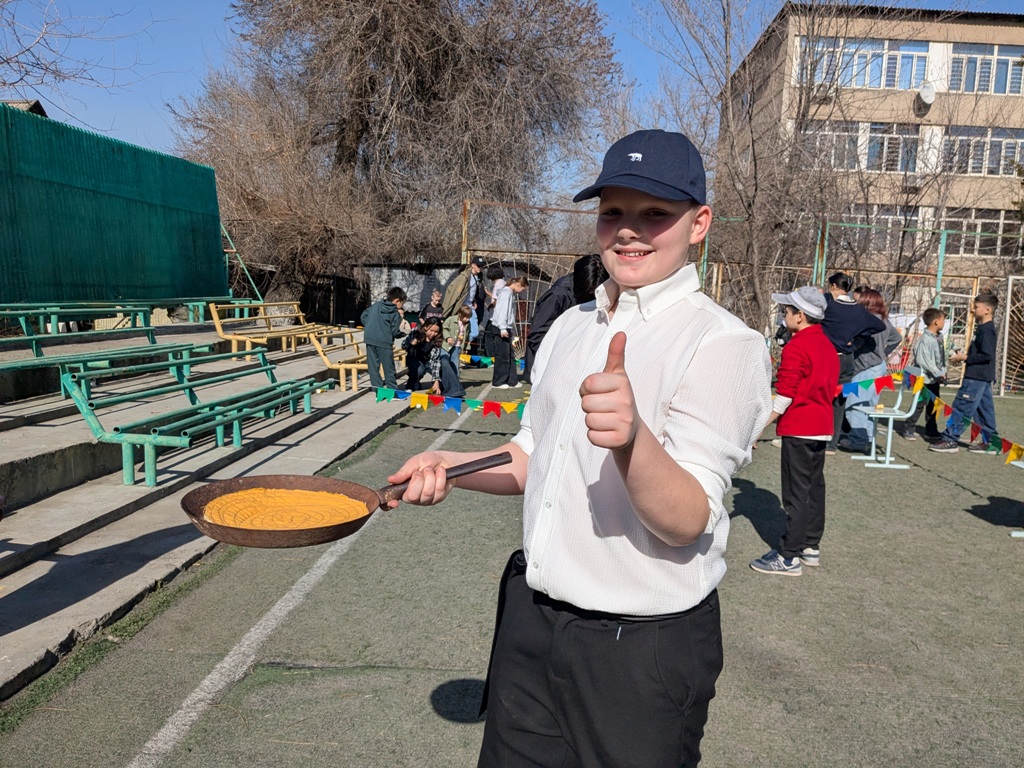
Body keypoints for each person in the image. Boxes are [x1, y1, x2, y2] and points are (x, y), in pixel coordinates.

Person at [385, 129, 773, 767]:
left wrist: (632, 440)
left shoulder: (724, 343)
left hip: (639, 648)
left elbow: (687, 520)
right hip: (532, 622)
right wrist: (450, 466)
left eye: (655, 213)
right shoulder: (571, 325)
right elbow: (533, 454)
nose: (629, 230)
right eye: (613, 211)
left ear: (698, 224)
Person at [750, 286, 839, 576]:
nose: (783, 315)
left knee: (796, 493)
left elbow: (784, 395)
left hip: (800, 427)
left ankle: (789, 556)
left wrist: (757, 429)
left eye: (786, 311)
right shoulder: (826, 344)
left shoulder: (797, 346)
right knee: (813, 488)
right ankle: (810, 545)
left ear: (800, 316)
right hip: (821, 427)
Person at [820, 273, 886, 453]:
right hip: (847, 360)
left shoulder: (829, 306)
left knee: (820, 397)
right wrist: (856, 337)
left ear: (834, 286)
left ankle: (813, 436)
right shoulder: (858, 310)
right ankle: (831, 444)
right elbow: (879, 326)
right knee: (839, 402)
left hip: (829, 357)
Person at [929, 292, 1001, 454]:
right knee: (983, 410)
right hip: (981, 377)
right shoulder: (982, 328)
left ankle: (950, 439)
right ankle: (991, 441)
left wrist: (965, 357)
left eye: (976, 307)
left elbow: (987, 355)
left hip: (976, 377)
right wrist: (963, 356)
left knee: (962, 407)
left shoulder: (987, 330)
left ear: (987, 310)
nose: (973, 310)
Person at [522, 254, 608, 383]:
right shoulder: (558, 295)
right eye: (590, 290)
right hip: (550, 364)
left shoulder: (600, 292)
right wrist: (555, 362)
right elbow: (537, 335)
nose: (592, 294)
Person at [839, 288, 901, 453]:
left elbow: (860, 343)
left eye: (860, 300)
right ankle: (867, 438)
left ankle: (858, 440)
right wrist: (884, 353)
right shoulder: (884, 320)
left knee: (855, 404)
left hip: (866, 368)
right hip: (878, 366)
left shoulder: (869, 321)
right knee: (869, 405)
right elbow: (897, 338)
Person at [897, 307, 947, 441]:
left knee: (933, 405)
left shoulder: (939, 338)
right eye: (943, 320)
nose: (944, 322)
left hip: (934, 379)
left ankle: (931, 430)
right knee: (918, 404)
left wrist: (943, 371)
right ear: (936, 322)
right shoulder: (924, 339)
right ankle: (908, 428)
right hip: (923, 379)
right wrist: (937, 372)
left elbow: (940, 358)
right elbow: (923, 361)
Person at [401, 318, 466, 397]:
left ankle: (452, 390)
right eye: (431, 330)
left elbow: (435, 360)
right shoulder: (416, 332)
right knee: (418, 372)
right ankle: (414, 382)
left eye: (436, 331)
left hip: (430, 361)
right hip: (417, 360)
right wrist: (411, 343)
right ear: (425, 327)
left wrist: (436, 380)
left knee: (444, 362)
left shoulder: (438, 339)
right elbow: (403, 345)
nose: (433, 334)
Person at [484, 274, 529, 389]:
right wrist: (503, 328)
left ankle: (511, 380)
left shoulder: (509, 293)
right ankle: (498, 381)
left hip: (505, 326)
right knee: (502, 355)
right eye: (522, 288)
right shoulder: (506, 294)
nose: (522, 291)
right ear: (518, 285)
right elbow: (503, 311)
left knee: (510, 355)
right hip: (501, 327)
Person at [360, 286, 408, 389]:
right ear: (397, 301)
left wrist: (369, 326)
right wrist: (403, 333)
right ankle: (392, 390)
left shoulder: (376, 305)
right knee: (388, 368)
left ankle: (378, 390)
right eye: (402, 303)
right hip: (385, 342)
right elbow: (395, 332)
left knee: (373, 367)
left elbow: (363, 316)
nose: (401, 306)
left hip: (370, 339)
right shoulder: (395, 313)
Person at [442, 255, 488, 344]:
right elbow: (454, 292)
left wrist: (474, 300)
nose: (480, 268)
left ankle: (461, 343)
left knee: (474, 332)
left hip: (470, 307)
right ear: (473, 265)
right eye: (478, 266)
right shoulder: (464, 276)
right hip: (462, 307)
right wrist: (448, 310)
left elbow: (472, 292)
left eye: (482, 266)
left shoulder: (478, 277)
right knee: (457, 329)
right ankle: (456, 344)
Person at [442, 304, 473, 373]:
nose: (467, 319)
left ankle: (455, 378)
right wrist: (448, 337)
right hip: (446, 346)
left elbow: (468, 336)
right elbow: (444, 328)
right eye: (465, 317)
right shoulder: (451, 319)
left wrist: (467, 347)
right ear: (460, 314)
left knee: (455, 367)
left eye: (469, 317)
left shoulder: (468, 324)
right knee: (444, 363)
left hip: (458, 347)